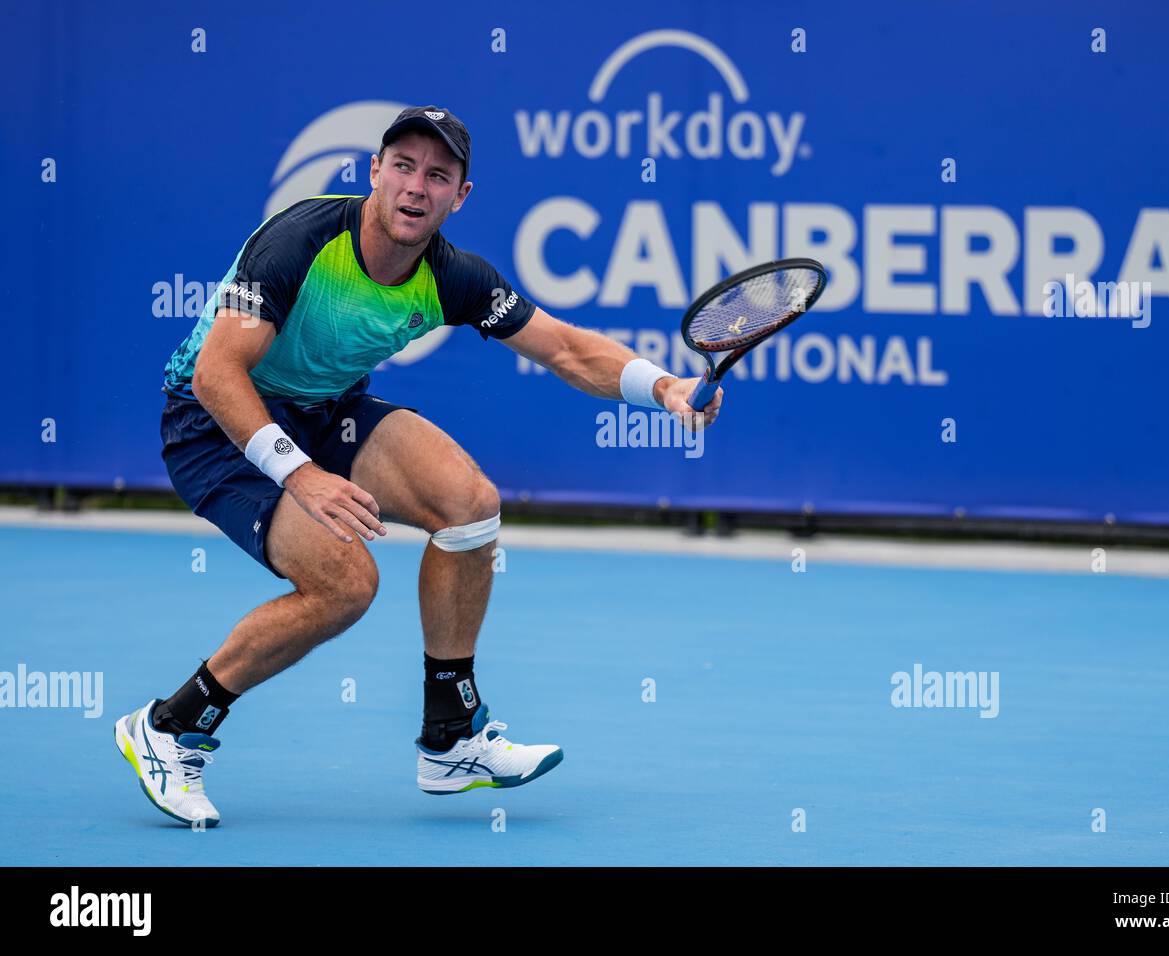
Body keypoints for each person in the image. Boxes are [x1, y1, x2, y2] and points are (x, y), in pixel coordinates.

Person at [114, 105, 723, 826]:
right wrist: (300, 474)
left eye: (438, 175)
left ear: (459, 197)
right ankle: (169, 725)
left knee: (468, 503)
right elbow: (218, 374)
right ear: (374, 173)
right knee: (345, 582)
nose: (416, 186)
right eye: (402, 165)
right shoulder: (301, 241)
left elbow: (564, 348)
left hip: (323, 409)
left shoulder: (452, 276)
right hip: (213, 423)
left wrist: (663, 387)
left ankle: (450, 739)